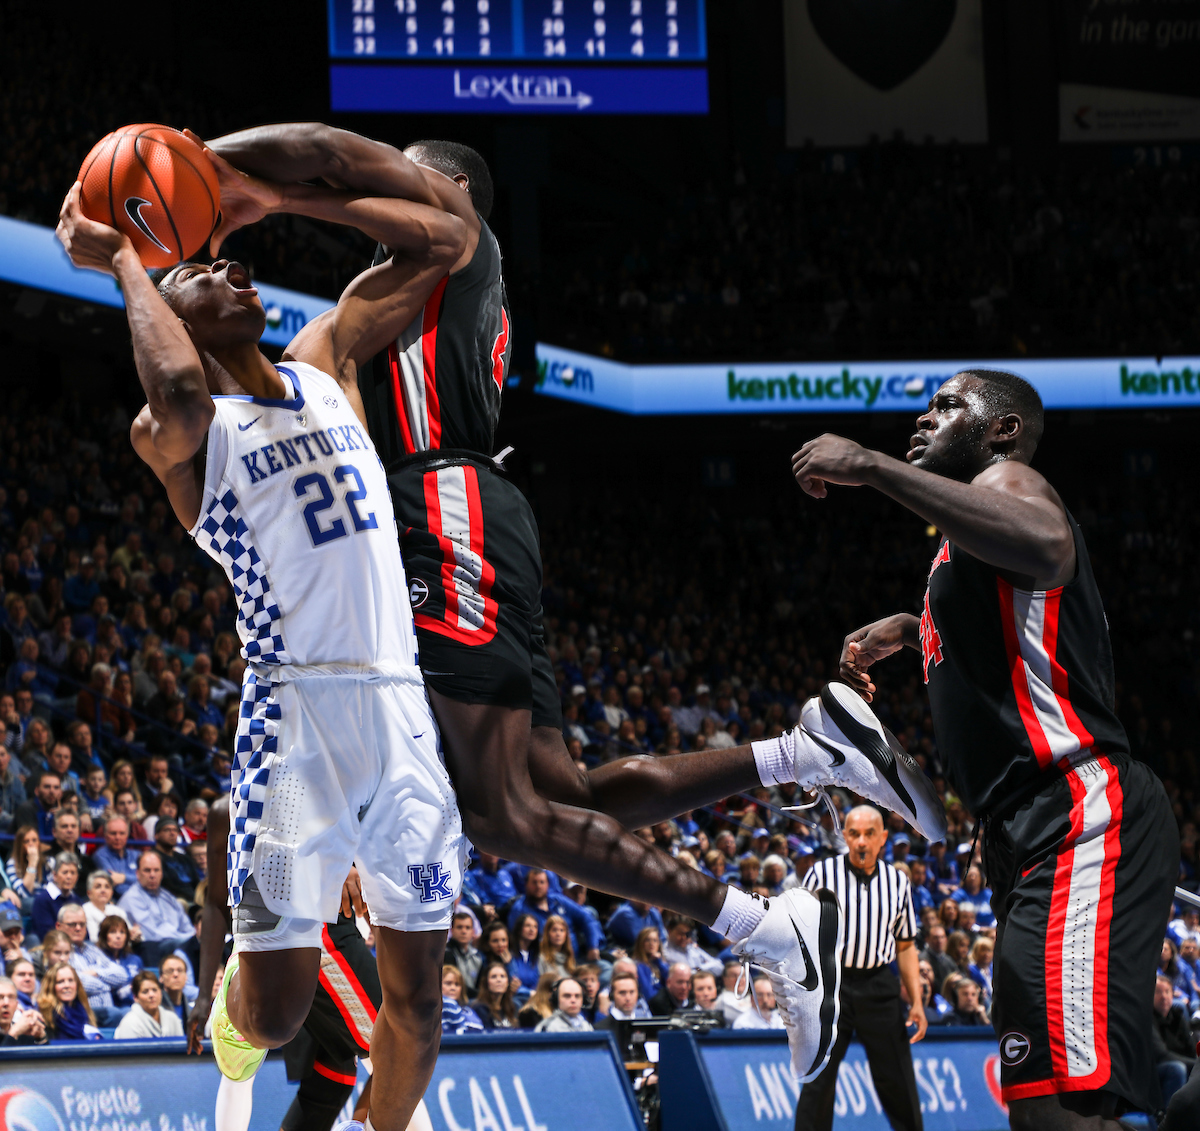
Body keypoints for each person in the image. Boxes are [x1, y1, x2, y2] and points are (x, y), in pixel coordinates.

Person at [203, 122, 949, 1084]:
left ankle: (766, 928)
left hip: (448, 514)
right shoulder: (390, 298)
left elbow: (322, 152)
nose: (383, 191)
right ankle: (799, 753)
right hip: (470, 519)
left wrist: (221, 175)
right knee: (569, 795)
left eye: (409, 179)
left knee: (502, 814)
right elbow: (283, 382)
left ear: (448, 192)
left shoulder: (456, 239)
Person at [57, 131, 468, 1131]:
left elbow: (442, 246)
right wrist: (122, 255)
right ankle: (234, 1031)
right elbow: (180, 388)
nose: (233, 270)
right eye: (204, 273)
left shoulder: (324, 360)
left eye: (232, 261)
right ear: (174, 318)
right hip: (294, 735)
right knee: (278, 1016)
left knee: (418, 998)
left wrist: (268, 198)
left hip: (400, 712)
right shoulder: (180, 436)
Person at [801, 368, 1178, 1129]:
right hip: (1025, 828)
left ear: (1001, 428)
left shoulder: (1014, 480)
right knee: (1039, 1103)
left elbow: (1045, 544)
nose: (924, 417)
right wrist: (915, 627)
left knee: (1069, 1107)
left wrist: (874, 466)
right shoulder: (963, 549)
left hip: (1079, 813)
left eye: (946, 406)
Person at [187, 797, 385, 1131]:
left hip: (318, 926)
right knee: (388, 1054)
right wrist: (203, 994)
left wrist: (349, 862)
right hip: (281, 938)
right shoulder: (229, 808)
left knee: (338, 1075)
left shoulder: (324, 783)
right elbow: (215, 900)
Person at [794, 806, 925, 1131]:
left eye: (869, 834)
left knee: (898, 1082)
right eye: (854, 834)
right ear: (844, 836)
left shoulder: (898, 882)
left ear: (883, 838)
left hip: (879, 986)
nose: (861, 842)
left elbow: (906, 944)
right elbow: (797, 932)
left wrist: (918, 1001)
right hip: (830, 987)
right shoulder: (821, 874)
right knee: (818, 1080)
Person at [57, 902, 131, 1027]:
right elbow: (78, 983)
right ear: (59, 926)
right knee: (116, 1014)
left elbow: (122, 975)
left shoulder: (92, 949)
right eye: (72, 924)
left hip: (107, 1010)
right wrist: (107, 985)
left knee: (131, 1013)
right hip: (79, 1012)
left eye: (82, 924)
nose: (78, 928)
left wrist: (95, 973)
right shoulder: (58, 952)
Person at [118, 850, 194, 967]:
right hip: (155, 946)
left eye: (156, 870)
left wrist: (195, 939)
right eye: (147, 870)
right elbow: (153, 933)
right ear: (138, 873)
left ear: (162, 873)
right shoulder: (131, 898)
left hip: (177, 941)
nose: (152, 875)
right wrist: (189, 940)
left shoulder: (168, 896)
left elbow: (187, 926)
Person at [37, 961, 100, 1040]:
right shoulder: (45, 1015)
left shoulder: (84, 1011)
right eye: (60, 982)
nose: (67, 985)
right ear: (51, 987)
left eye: (70, 980)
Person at [114, 970, 184, 1039]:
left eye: (154, 990)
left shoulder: (172, 1018)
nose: (151, 995)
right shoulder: (129, 1023)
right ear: (136, 997)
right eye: (145, 992)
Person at [31, 853, 83, 939]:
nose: (69, 877)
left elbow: (84, 931)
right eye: (65, 872)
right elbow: (47, 934)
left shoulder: (76, 899)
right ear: (55, 875)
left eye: (73, 873)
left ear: (77, 877)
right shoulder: (42, 900)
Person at [96, 915, 143, 1006]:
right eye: (112, 932)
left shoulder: (135, 959)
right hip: (112, 1007)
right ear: (104, 936)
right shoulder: (97, 959)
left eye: (122, 932)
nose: (118, 936)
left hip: (137, 1006)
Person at [92, 817, 138, 898]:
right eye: (113, 833)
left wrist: (123, 878)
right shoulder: (100, 855)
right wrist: (137, 879)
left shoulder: (136, 855)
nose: (117, 838)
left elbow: (147, 880)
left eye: (122, 833)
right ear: (105, 835)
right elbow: (112, 882)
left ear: (127, 836)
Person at [444, 911, 483, 998]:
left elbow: (480, 984)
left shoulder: (477, 957)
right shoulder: (446, 954)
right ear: (452, 930)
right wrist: (480, 996)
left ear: (473, 932)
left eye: (467, 928)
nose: (464, 931)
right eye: (459, 927)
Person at [470, 961, 518, 1030]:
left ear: (507, 982)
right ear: (486, 982)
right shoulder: (479, 1008)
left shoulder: (513, 1006)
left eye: (502, 976)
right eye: (493, 977)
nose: (499, 980)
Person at [0, 974, 47, 1046]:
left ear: (16, 1005)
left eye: (11, 997)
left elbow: (46, 1056)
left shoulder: (25, 1032)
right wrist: (13, 1033)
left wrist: (40, 1038)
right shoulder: (17, 1030)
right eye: (0, 997)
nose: (6, 1003)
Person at [440, 966, 484, 1034]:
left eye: (457, 984)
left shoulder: (468, 1011)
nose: (453, 988)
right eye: (448, 983)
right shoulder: (434, 1009)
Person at [632, 926, 669, 1005]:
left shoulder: (660, 963)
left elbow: (670, 983)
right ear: (641, 943)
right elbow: (647, 994)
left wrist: (659, 963)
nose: (651, 943)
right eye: (647, 940)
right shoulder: (638, 966)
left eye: (655, 940)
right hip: (652, 1005)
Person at [537, 914, 577, 979]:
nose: (558, 934)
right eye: (554, 930)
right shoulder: (541, 957)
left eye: (562, 930)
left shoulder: (569, 957)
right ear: (547, 934)